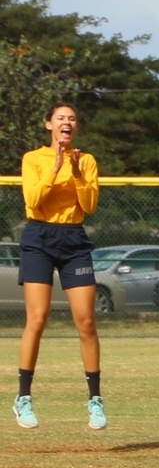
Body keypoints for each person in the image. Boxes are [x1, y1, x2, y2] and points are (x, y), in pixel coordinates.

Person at [14, 102, 106, 430]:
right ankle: (23, 397)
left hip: (74, 239)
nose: (67, 123)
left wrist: (77, 172)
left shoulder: (87, 160)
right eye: (60, 118)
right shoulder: (33, 159)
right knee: (37, 319)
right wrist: (54, 167)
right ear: (49, 125)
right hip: (39, 236)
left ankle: (95, 399)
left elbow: (90, 205)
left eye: (71, 119)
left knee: (86, 321)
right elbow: (34, 200)